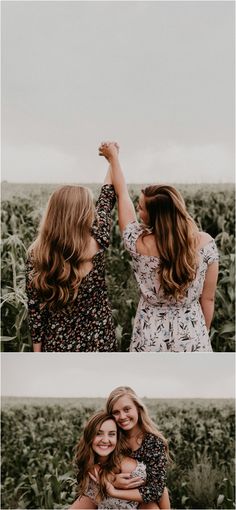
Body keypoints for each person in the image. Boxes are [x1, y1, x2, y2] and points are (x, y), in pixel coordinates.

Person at [99, 142, 219, 352]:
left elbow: (122, 195)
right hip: (193, 337)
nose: (137, 209)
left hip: (149, 337)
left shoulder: (138, 243)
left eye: (141, 207)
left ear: (153, 216)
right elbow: (208, 299)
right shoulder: (206, 244)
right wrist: (200, 337)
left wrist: (114, 159)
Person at [25, 167, 117, 352]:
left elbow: (35, 311)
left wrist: (37, 353)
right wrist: (112, 159)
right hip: (99, 342)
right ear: (83, 214)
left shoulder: (37, 253)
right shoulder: (98, 241)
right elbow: (106, 199)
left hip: (57, 344)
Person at [70, 410, 170, 509]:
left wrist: (113, 489)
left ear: (117, 438)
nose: (105, 440)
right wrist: (110, 479)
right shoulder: (89, 463)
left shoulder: (127, 467)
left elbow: (160, 491)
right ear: (89, 436)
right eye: (98, 433)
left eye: (112, 434)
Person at [105, 386, 170, 508]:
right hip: (109, 500)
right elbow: (89, 465)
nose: (122, 416)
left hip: (141, 501)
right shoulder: (110, 438)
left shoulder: (153, 442)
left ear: (138, 409)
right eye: (116, 412)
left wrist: (114, 491)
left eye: (127, 409)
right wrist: (111, 479)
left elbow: (156, 490)